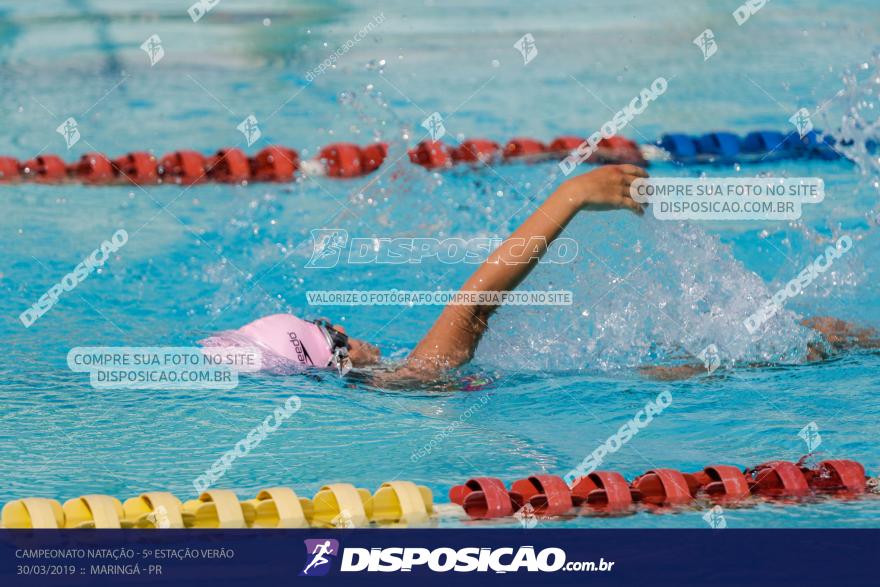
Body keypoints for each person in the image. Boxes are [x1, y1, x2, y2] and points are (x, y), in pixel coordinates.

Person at [201, 164, 649, 380]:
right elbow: (473, 306)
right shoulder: (407, 381)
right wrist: (570, 196)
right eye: (329, 333)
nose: (340, 325)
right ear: (336, 364)